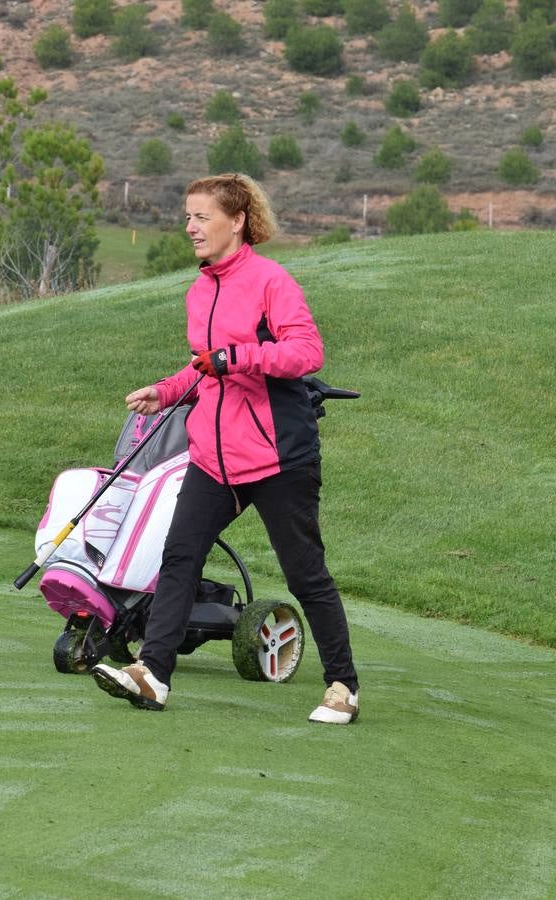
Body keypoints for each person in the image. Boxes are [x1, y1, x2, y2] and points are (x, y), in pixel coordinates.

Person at [90, 173, 360, 724]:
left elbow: (306, 352)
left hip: (278, 455)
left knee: (305, 572)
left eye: (201, 216)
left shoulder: (270, 281)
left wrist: (238, 358)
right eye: (187, 216)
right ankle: (153, 675)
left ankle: (343, 686)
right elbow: (202, 369)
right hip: (215, 458)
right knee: (180, 557)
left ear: (237, 221)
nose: (190, 226)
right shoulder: (200, 289)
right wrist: (164, 392)